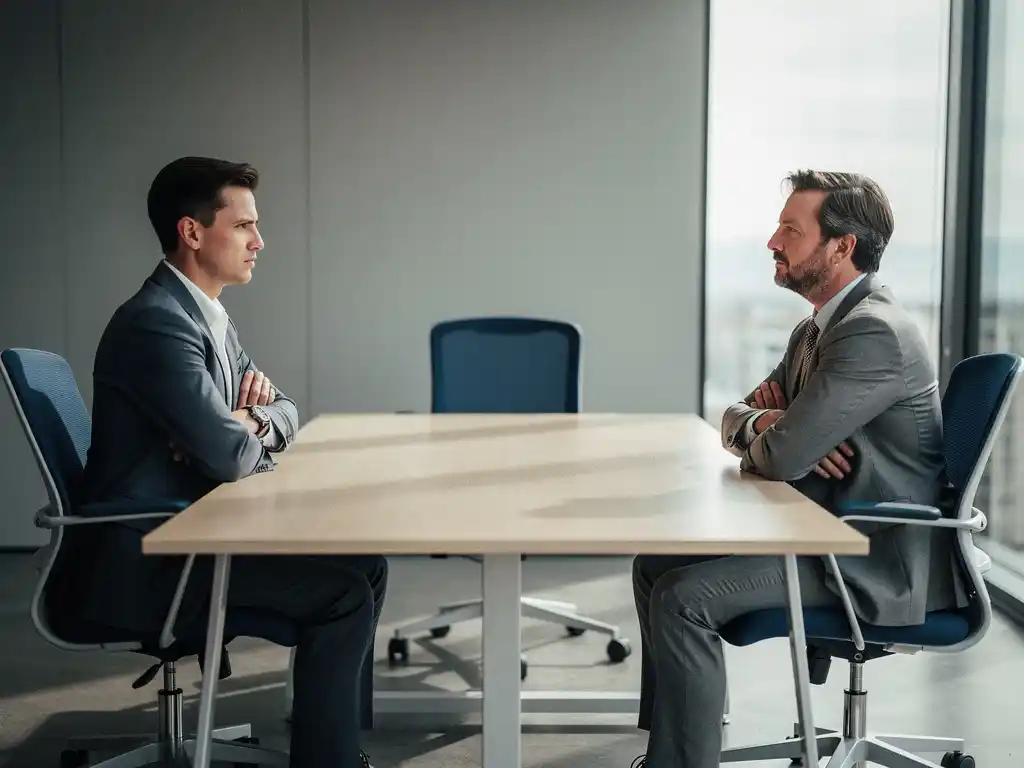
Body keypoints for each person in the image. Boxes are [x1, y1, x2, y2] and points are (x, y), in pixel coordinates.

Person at [630, 170, 965, 767]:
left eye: (791, 228)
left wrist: (780, 435)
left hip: (872, 556)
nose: (772, 241)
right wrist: (763, 424)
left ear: (842, 247)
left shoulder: (871, 334)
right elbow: (744, 416)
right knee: (655, 566)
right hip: (825, 532)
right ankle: (671, 744)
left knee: (684, 597)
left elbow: (783, 458)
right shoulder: (816, 329)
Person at [62, 156, 386, 768]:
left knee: (364, 565)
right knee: (341, 594)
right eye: (243, 227)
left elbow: (285, 410)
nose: (259, 242)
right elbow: (234, 459)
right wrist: (233, 435)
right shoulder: (157, 326)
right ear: (192, 232)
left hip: (190, 536)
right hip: (150, 563)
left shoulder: (207, 317)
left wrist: (249, 420)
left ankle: (330, 731)